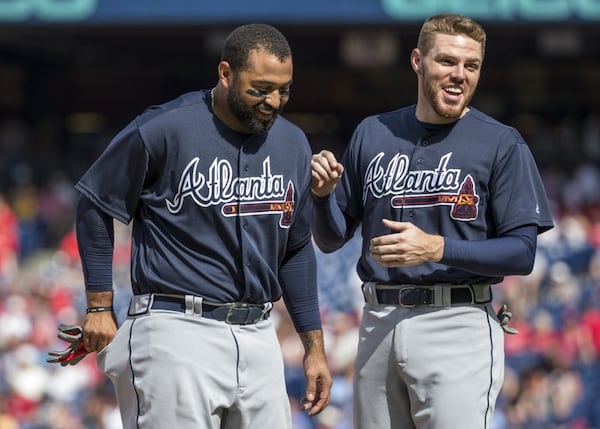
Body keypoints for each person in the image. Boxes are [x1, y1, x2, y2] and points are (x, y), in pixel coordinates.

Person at [73, 23, 331, 429]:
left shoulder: (293, 143)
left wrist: (313, 347)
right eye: (261, 88)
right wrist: (100, 306)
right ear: (226, 73)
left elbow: (296, 250)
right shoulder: (163, 128)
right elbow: (94, 200)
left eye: (284, 89)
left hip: (260, 334)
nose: (274, 100)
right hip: (176, 330)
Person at [310, 13, 553, 429]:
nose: (459, 75)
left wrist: (437, 247)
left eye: (471, 65)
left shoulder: (501, 142)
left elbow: (522, 252)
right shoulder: (373, 133)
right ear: (417, 61)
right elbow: (332, 238)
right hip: (378, 321)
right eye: (446, 62)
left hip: (456, 322)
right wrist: (320, 197)